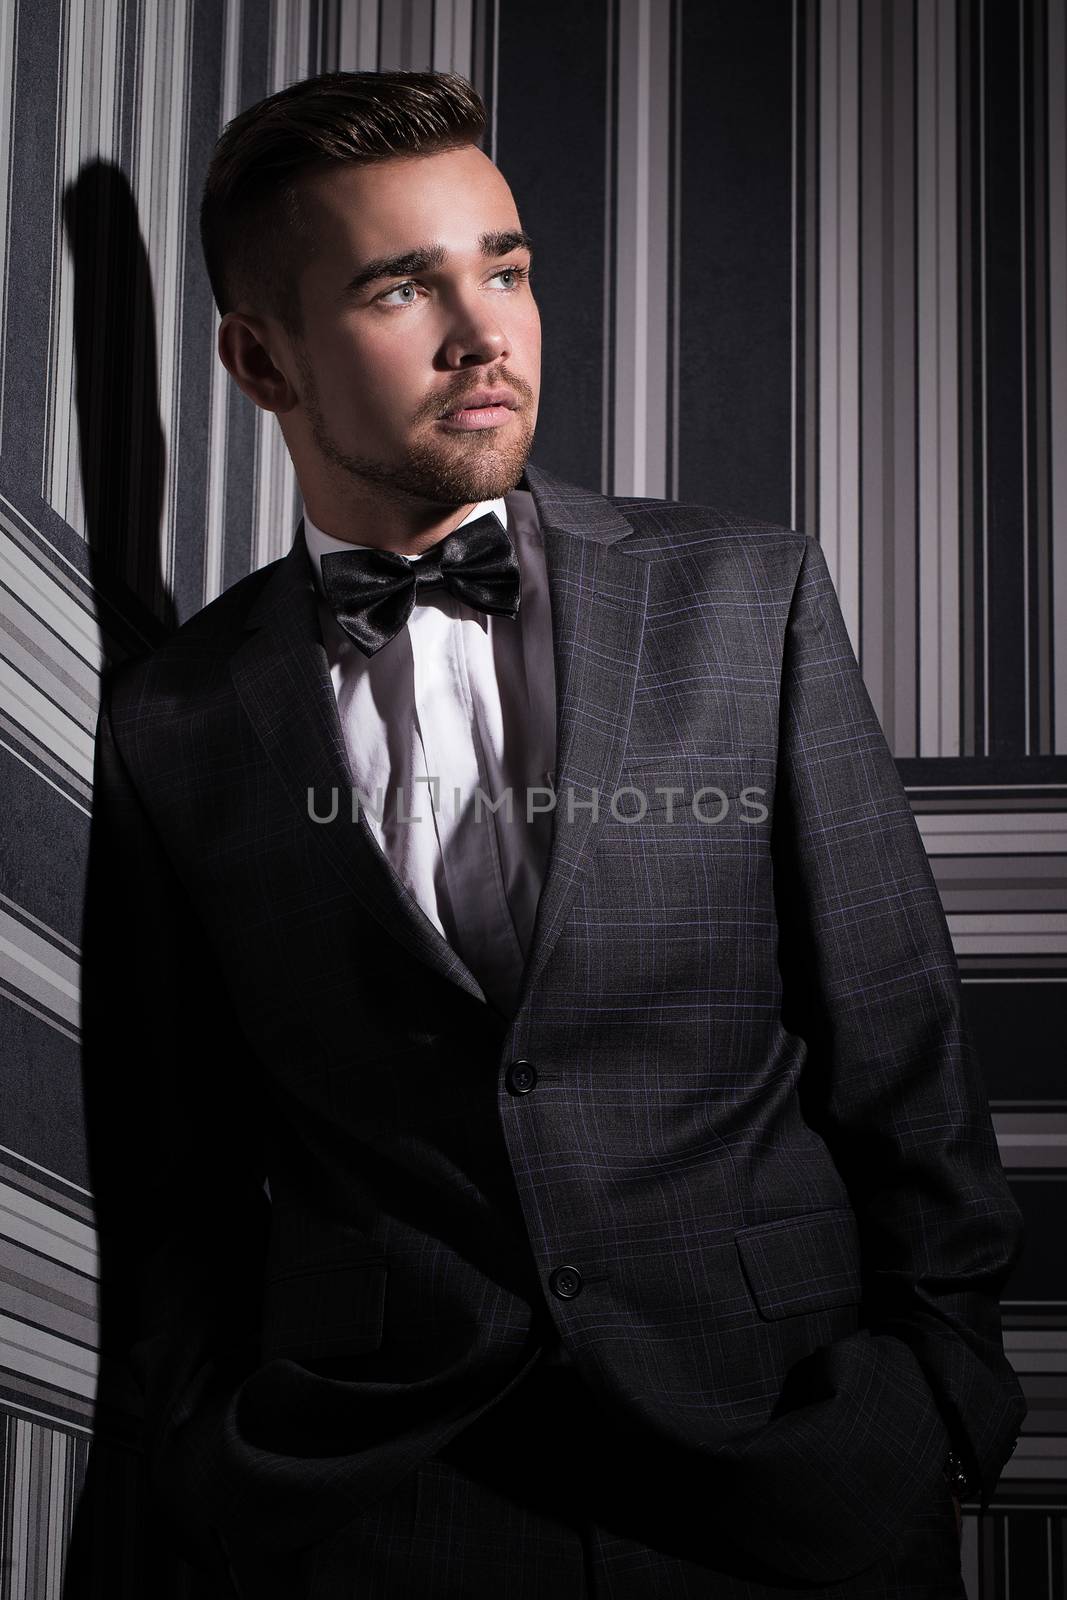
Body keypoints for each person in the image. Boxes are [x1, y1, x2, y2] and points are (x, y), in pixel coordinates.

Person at [84, 67, 1025, 1598]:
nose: (487, 334)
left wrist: (941, 1398)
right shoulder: (174, 718)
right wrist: (183, 1473)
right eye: (404, 287)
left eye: (504, 267)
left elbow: (897, 1031)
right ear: (261, 361)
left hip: (785, 1464)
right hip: (377, 1496)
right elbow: (170, 1168)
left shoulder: (747, 594)